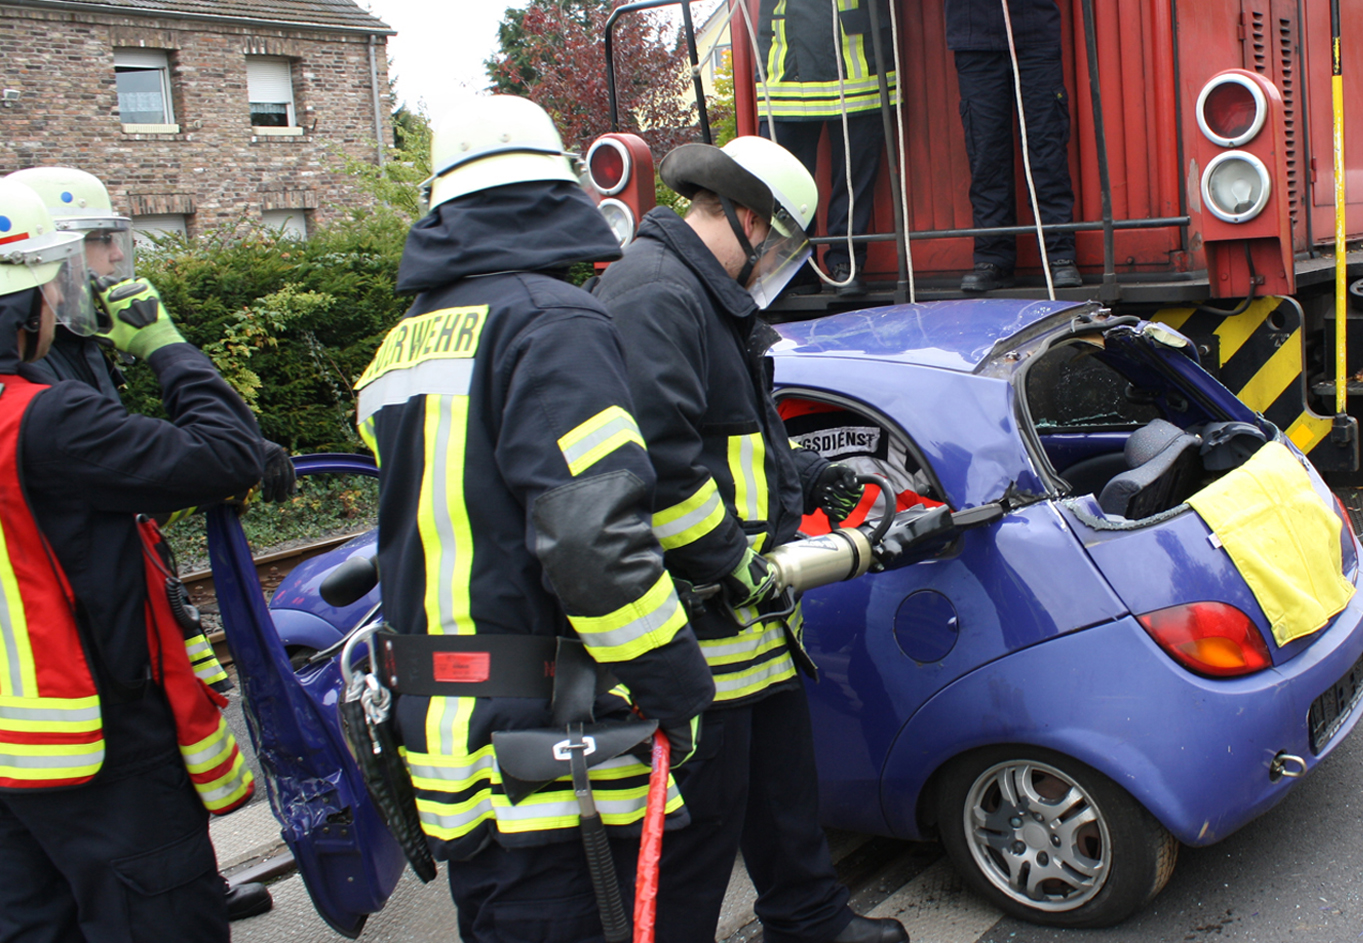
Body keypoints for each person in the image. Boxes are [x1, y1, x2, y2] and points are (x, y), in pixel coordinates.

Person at [354, 95, 715, 943]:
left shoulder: (405, 342)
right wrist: (673, 684)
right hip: (550, 746)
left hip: (447, 739)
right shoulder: (552, 321)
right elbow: (592, 540)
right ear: (558, 194)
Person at [594, 136, 906, 943]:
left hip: (750, 627)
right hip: (698, 632)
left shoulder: (705, 298)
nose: (781, 263)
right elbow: (661, 468)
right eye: (785, 245)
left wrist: (801, 473)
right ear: (746, 217)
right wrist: (734, 563)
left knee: (782, 801)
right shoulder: (655, 295)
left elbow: (729, 441)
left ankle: (812, 922)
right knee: (695, 844)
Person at [0, 179, 267, 942]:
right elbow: (226, 456)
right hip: (99, 744)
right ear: (28, 305)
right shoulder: (45, 420)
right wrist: (167, 346)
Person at [3, 166, 297, 511]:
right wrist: (166, 346)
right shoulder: (41, 388)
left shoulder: (67, 348)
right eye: (103, 237)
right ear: (60, 254)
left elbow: (108, 475)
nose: (119, 254)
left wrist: (199, 478)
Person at [756, 0, 898, 298]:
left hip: (856, 60)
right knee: (782, 183)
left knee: (854, 173)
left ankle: (846, 263)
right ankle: (793, 271)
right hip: (785, 64)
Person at [946, 0, 1082, 292]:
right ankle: (993, 259)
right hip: (974, 37)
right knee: (986, 153)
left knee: (1047, 148)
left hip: (1034, 34)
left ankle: (1058, 255)